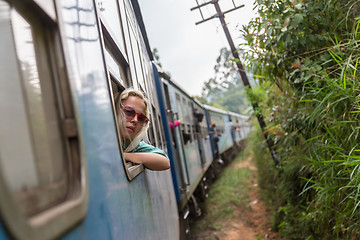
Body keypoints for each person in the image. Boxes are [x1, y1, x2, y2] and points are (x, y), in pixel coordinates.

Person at [115, 89, 170, 171]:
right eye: (129, 112)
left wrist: (123, 155)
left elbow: (164, 162)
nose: (135, 120)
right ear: (115, 110)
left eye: (141, 118)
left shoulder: (134, 145)